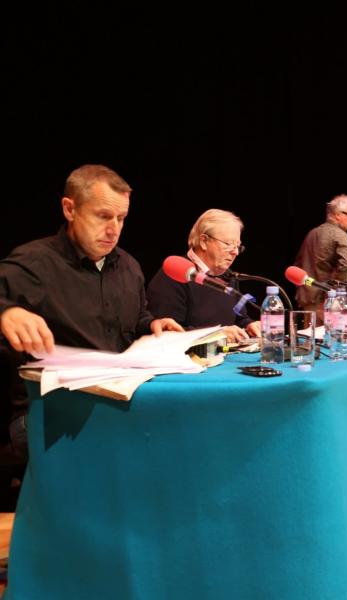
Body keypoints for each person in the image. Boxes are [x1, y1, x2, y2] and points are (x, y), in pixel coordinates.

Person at [0, 164, 183, 457]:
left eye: (121, 218)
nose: (114, 230)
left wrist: (152, 326)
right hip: (49, 408)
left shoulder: (129, 266)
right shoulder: (33, 263)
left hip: (116, 403)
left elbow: (136, 320)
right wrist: (6, 312)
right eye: (103, 216)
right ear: (69, 209)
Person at [146, 209, 261, 343]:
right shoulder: (175, 274)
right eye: (229, 244)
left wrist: (249, 325)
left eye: (238, 246)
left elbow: (239, 318)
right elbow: (168, 333)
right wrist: (216, 335)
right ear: (204, 241)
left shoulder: (229, 277)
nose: (235, 252)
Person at [293, 194, 347, 315]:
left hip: (307, 304)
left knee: (307, 334)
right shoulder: (340, 235)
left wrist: (308, 289)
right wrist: (332, 291)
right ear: (338, 215)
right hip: (328, 305)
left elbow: (298, 267)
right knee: (331, 334)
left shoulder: (312, 234)